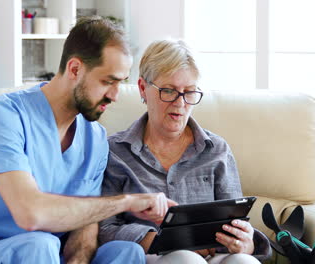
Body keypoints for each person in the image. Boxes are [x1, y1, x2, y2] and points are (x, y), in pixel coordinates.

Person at [0, 17, 176, 264]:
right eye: (107, 82)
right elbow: (30, 215)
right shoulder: (4, 117)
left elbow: (85, 223)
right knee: (39, 244)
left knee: (126, 252)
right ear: (75, 69)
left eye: (119, 83)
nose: (115, 95)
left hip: (49, 256)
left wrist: (77, 260)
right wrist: (126, 202)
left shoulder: (95, 138)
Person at [98, 39, 272, 263]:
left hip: (214, 256)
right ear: (143, 88)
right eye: (168, 91)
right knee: (186, 259)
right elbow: (105, 228)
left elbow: (237, 221)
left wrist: (245, 243)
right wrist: (160, 240)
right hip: (151, 256)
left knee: (243, 261)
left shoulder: (216, 150)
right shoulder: (116, 152)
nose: (180, 103)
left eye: (189, 92)